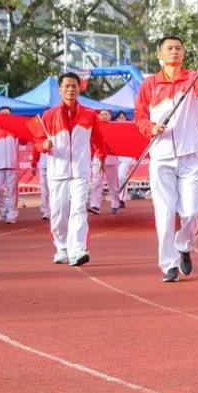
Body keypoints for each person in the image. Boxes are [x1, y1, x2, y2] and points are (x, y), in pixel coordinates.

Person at [134, 35, 198, 283]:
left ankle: (184, 245)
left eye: (178, 48)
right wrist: (150, 128)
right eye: (169, 48)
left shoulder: (192, 78)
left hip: (190, 153)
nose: (174, 51)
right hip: (162, 154)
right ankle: (168, 264)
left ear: (183, 53)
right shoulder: (149, 85)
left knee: (193, 210)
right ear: (160, 54)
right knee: (165, 212)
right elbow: (139, 115)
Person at [35, 73, 107, 266]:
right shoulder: (48, 116)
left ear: (79, 88)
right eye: (66, 86)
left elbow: (99, 139)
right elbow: (37, 141)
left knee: (78, 210)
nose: (70, 89)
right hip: (57, 171)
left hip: (80, 171)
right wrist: (43, 145)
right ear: (60, 90)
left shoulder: (89, 115)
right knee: (59, 213)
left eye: (74, 86)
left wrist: (101, 156)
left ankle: (77, 249)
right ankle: (62, 247)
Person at [0, 106, 20, 224]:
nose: (4, 116)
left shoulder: (16, 130)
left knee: (12, 191)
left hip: (12, 165)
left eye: (7, 114)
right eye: (2, 114)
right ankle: (3, 207)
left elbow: (24, 140)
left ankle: (12, 214)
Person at [88, 109, 122, 215]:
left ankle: (115, 203)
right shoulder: (94, 127)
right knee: (96, 182)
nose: (103, 116)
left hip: (111, 158)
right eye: (101, 114)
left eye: (106, 114)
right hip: (98, 158)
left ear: (110, 116)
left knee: (113, 183)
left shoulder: (116, 127)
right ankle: (95, 205)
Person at [114, 111, 133, 205]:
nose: (121, 119)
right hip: (115, 155)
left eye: (123, 117)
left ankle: (122, 198)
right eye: (119, 117)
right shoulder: (112, 128)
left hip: (126, 155)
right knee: (115, 178)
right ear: (116, 119)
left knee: (121, 176)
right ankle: (115, 199)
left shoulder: (129, 128)